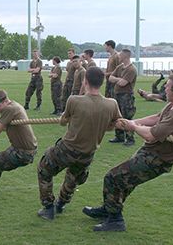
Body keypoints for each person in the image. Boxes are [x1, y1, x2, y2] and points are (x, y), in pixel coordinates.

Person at [83, 73, 173, 232]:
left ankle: (115, 220)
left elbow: (150, 135)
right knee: (125, 181)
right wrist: (134, 122)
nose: (164, 87)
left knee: (113, 177)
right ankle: (109, 209)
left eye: (168, 86)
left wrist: (133, 127)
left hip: (158, 159)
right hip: (151, 152)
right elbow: (157, 118)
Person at [37, 67, 122, 220]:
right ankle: (61, 204)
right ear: (102, 83)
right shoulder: (112, 104)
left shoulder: (74, 100)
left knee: (44, 169)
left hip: (67, 149)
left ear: (85, 81)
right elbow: (115, 124)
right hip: (87, 154)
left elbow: (63, 122)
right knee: (73, 178)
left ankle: (49, 207)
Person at [108, 49, 137, 146]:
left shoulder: (131, 69)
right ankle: (119, 136)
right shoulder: (120, 67)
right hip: (117, 95)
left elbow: (123, 83)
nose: (118, 56)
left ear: (125, 56)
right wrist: (118, 79)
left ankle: (130, 139)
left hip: (126, 96)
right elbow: (110, 78)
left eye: (120, 55)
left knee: (127, 116)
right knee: (117, 115)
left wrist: (117, 80)